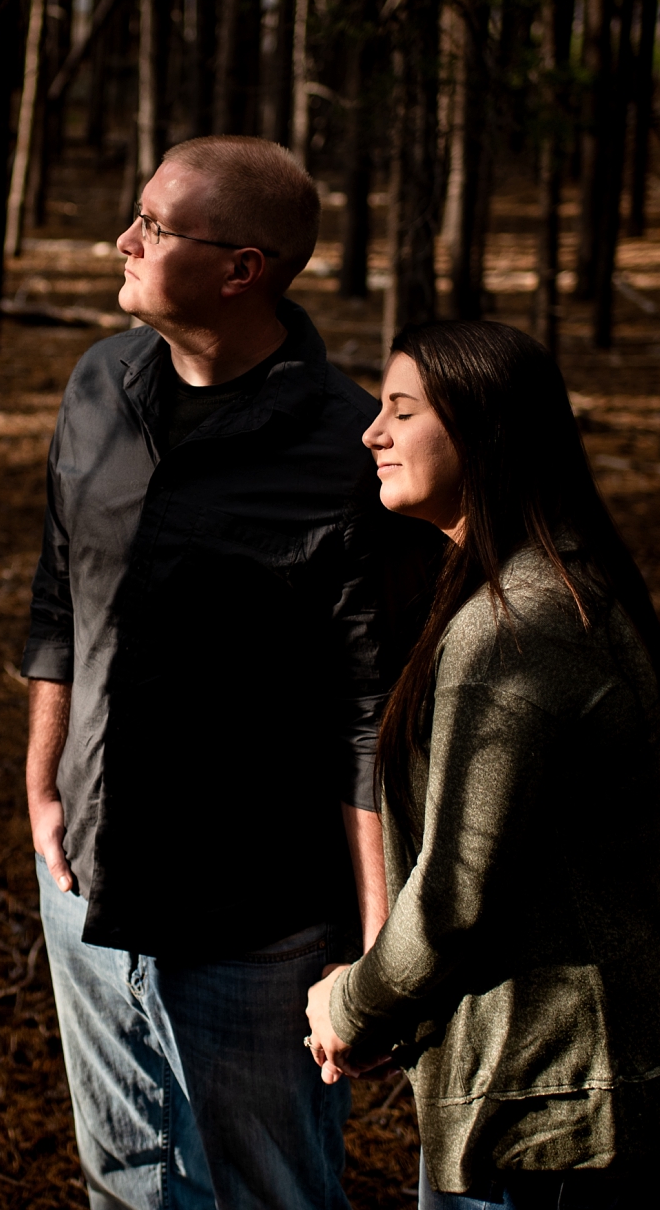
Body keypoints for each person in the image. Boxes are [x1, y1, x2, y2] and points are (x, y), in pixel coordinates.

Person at [20, 136, 393, 1210]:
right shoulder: (98, 382)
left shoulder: (343, 453)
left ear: (241, 268)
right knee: (124, 1179)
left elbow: (368, 717)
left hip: (255, 923)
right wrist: (41, 783)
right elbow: (60, 593)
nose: (120, 241)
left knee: (265, 1191)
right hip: (85, 883)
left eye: (153, 225)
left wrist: (373, 952)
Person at [303, 320, 660, 1209]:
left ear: (485, 433)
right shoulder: (559, 580)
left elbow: (455, 898)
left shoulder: (514, 636)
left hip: (546, 1104)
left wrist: (349, 1007)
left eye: (401, 411)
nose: (372, 432)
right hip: (572, 1078)